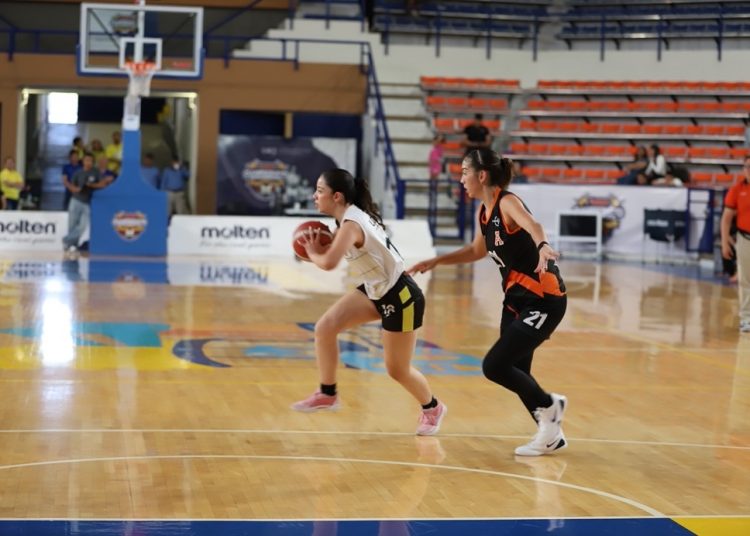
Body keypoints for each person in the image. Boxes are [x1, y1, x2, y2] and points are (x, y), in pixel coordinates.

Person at [407, 148, 567, 456]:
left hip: (544, 299)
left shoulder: (507, 202)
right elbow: (475, 251)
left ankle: (550, 406)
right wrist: (437, 261)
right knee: (517, 370)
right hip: (516, 301)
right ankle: (551, 434)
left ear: (481, 175)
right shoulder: (484, 211)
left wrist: (543, 245)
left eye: (464, 172)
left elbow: (533, 225)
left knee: (495, 366)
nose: (461, 179)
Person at [292, 168, 447, 435]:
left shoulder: (351, 225)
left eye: (319, 191)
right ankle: (327, 394)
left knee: (397, 370)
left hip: (401, 297)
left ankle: (433, 407)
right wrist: (316, 251)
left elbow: (328, 263)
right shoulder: (346, 221)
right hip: (377, 289)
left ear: (337, 196)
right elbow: (331, 253)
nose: (314, 196)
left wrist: (312, 252)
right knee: (325, 328)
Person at [721, 155, 750, 333]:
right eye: (747, 166)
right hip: (745, 239)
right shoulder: (737, 190)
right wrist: (725, 243)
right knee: (746, 280)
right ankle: (746, 318)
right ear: (743, 169)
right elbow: (726, 219)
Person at [62, 153, 112, 256]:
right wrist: (75, 189)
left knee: (82, 226)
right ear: (83, 162)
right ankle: (71, 245)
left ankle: (66, 240)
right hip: (76, 200)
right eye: (86, 160)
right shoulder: (78, 172)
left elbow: (102, 184)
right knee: (72, 225)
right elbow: (72, 186)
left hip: (87, 202)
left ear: (93, 162)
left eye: (90, 161)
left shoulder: (95, 172)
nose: (88, 162)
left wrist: (92, 185)